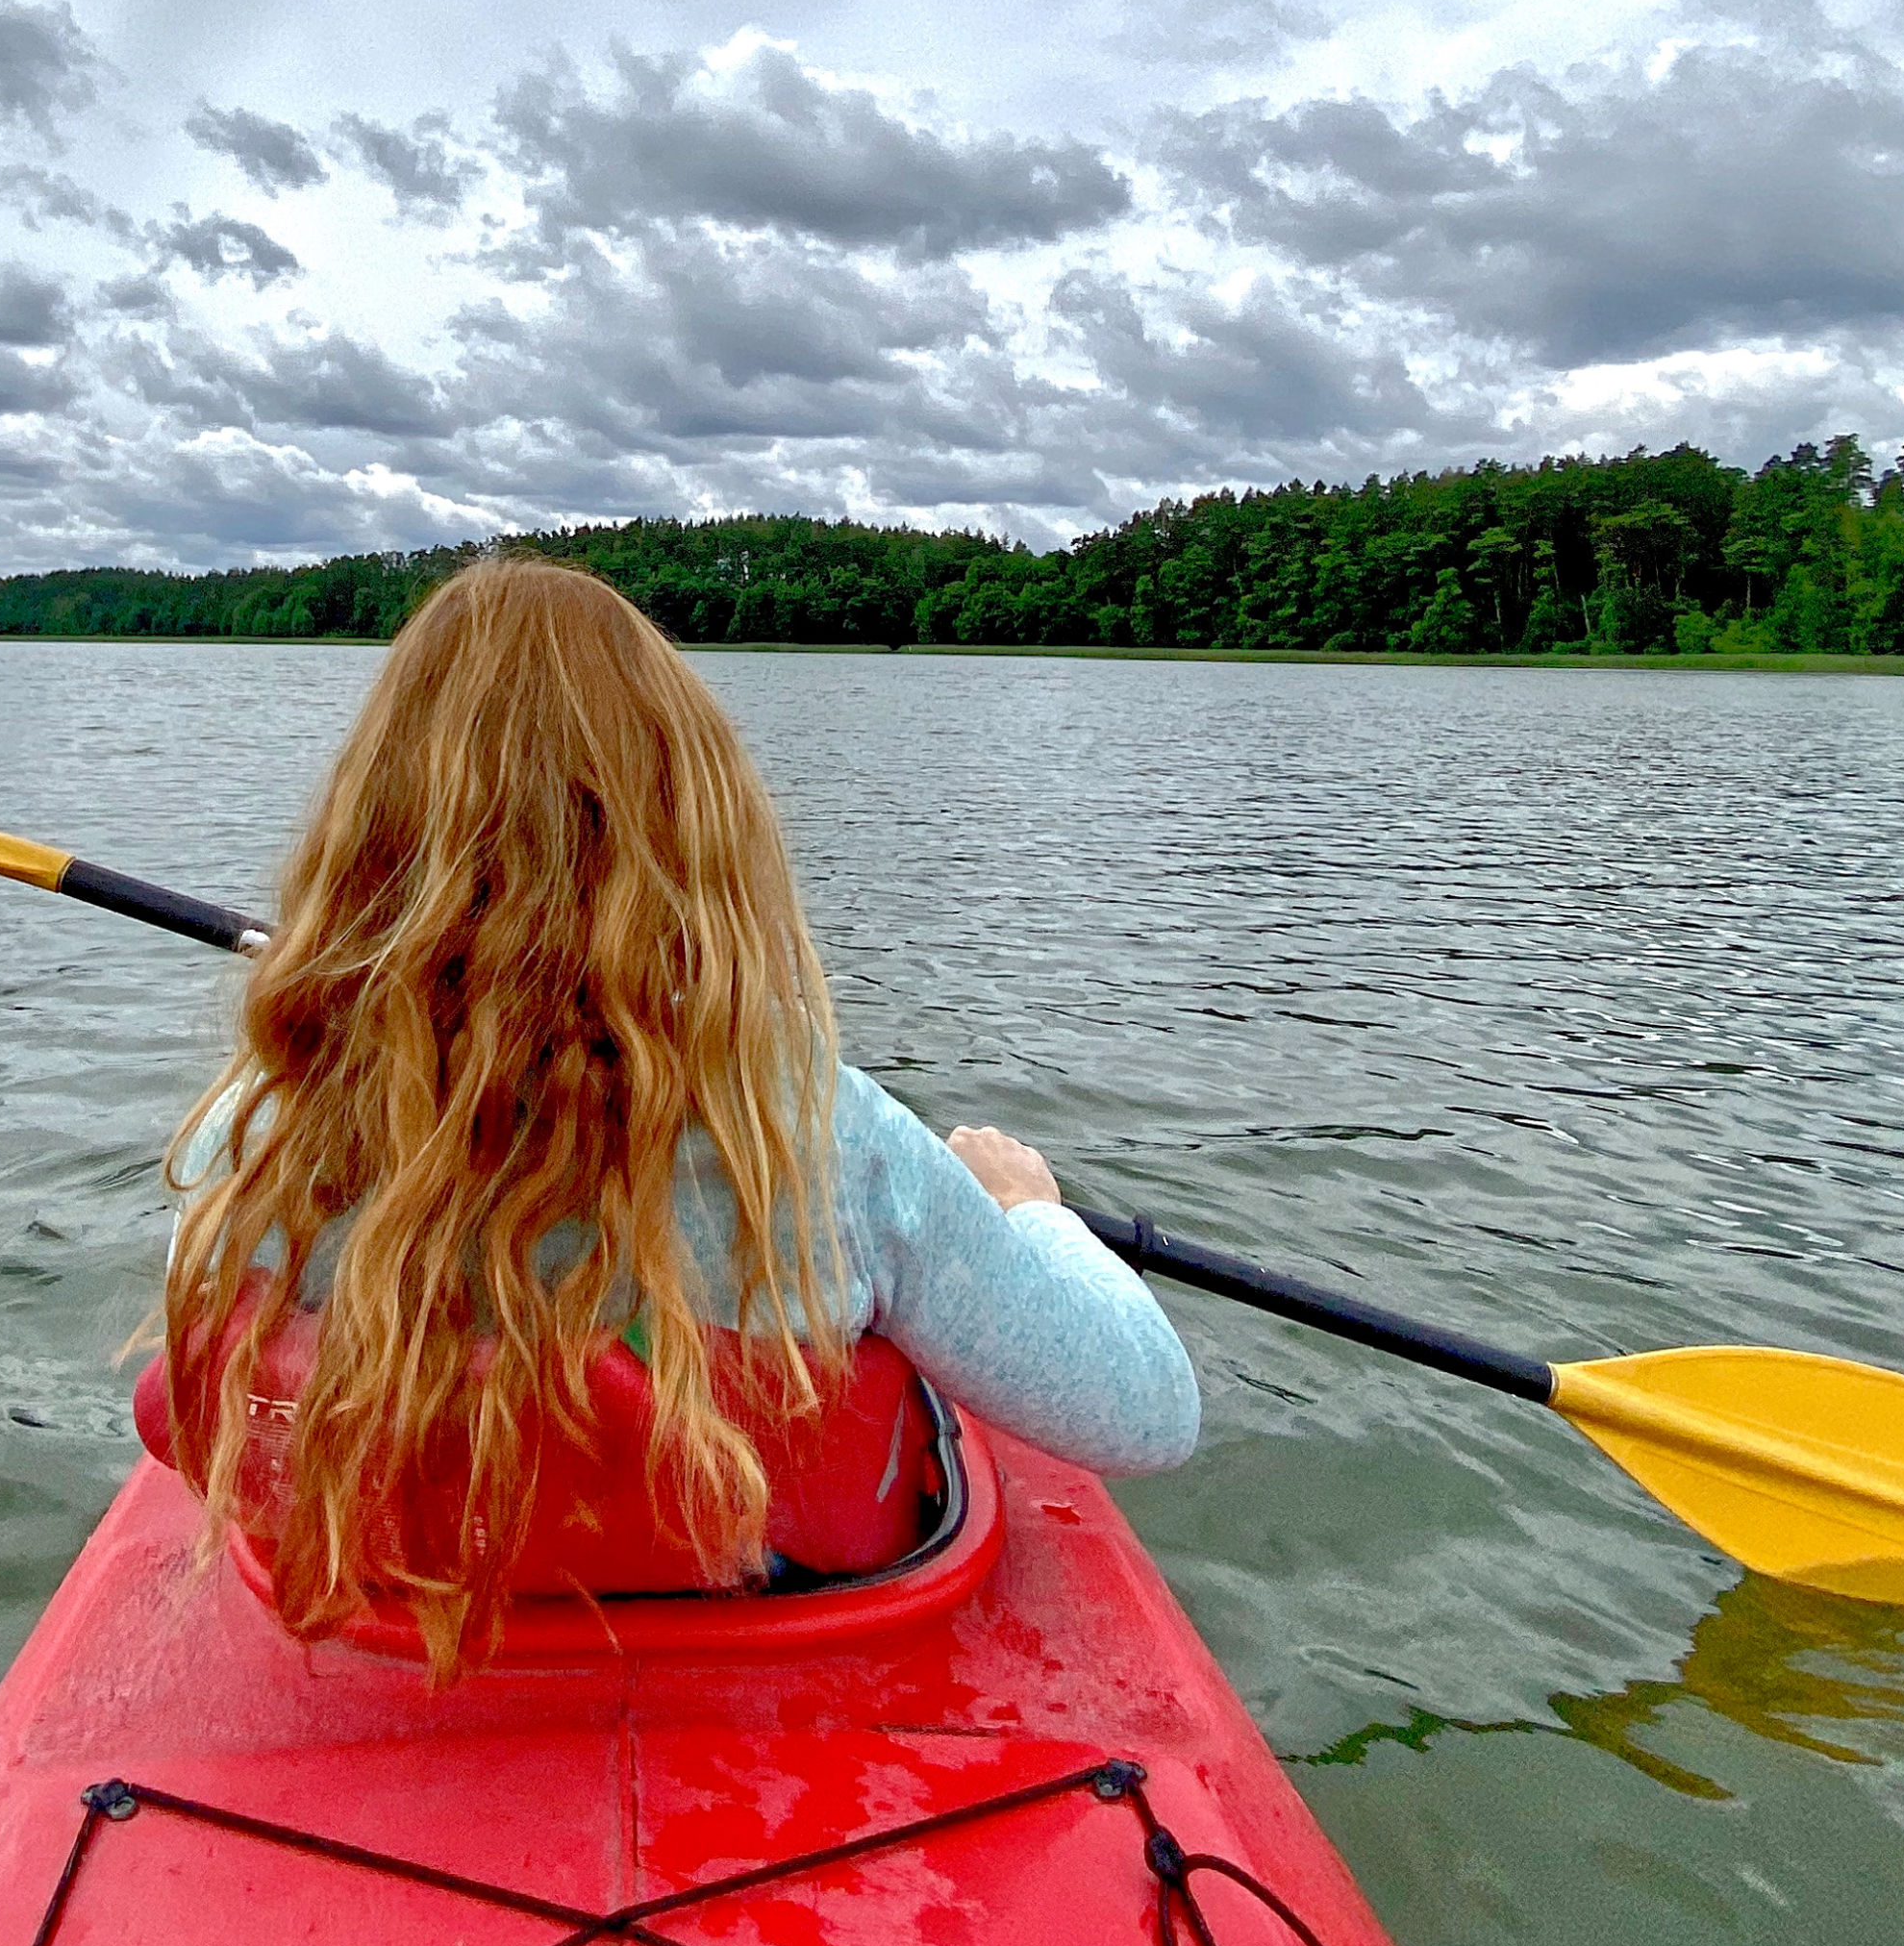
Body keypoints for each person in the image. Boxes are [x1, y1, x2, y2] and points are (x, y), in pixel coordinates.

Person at [158, 556, 1197, 1674]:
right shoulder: (818, 1145)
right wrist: (1033, 1214)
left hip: (402, 1628)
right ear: (694, 835)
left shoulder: (250, 1141)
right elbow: (1148, 1412)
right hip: (760, 1641)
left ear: (366, 839)